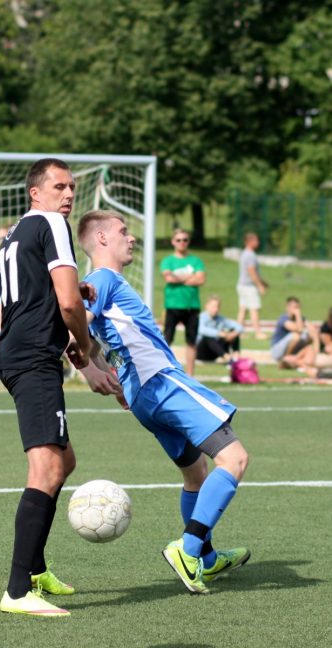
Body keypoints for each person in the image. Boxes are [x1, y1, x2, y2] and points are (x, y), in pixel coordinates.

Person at [77, 209, 250, 596]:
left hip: (142, 396)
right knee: (235, 459)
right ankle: (188, 549)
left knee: (196, 474)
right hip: (161, 383)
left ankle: (205, 558)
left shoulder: (100, 283)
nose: (131, 237)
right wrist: (89, 370)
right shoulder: (103, 279)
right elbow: (73, 327)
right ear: (102, 238)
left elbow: (87, 339)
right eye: (123, 231)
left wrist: (105, 373)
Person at [0, 158, 96, 618]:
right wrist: (85, 347)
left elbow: (33, 295)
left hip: (18, 349)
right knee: (48, 468)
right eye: (59, 186)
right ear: (35, 192)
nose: (68, 194)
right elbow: (68, 301)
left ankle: (35, 571)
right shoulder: (53, 224)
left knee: (64, 461)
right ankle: (17, 591)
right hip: (33, 355)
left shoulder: (14, 234)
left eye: (72, 187)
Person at [160, 228, 205, 375]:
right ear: (173, 242)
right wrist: (190, 277)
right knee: (167, 340)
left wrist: (178, 278)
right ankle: (165, 372)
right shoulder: (168, 261)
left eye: (185, 240)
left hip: (192, 306)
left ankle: (190, 375)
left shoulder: (195, 261)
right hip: (173, 305)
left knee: (191, 341)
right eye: (178, 240)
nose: (182, 243)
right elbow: (169, 278)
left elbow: (201, 279)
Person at [235, 232, 269, 339]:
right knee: (254, 308)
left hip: (242, 285)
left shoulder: (245, 253)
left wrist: (263, 282)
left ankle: (238, 332)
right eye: (256, 240)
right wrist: (260, 285)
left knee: (243, 309)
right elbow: (252, 272)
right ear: (249, 242)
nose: (258, 242)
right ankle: (258, 332)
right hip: (249, 286)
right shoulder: (250, 255)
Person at [270, 296, 317, 368]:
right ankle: (285, 360)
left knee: (309, 336)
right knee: (296, 336)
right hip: (277, 351)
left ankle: (298, 358)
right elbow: (299, 329)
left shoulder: (301, 318)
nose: (297, 310)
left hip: (292, 349)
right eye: (295, 307)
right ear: (288, 307)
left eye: (298, 307)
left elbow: (313, 330)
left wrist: (316, 348)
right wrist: (298, 315)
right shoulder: (283, 318)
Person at [196, 294, 243, 363]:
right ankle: (228, 359)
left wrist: (233, 334)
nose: (215, 309)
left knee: (233, 331)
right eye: (213, 307)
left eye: (217, 307)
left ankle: (236, 357)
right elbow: (201, 329)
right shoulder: (201, 317)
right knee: (208, 337)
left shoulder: (221, 319)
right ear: (207, 306)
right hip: (202, 352)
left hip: (216, 352)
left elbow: (239, 326)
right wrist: (219, 333)